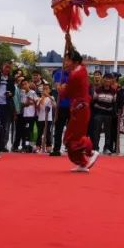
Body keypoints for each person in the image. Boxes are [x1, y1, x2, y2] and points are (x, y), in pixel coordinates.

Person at [61, 41, 97, 172]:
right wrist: (69, 42)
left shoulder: (75, 75)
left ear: (74, 62)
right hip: (79, 108)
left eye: (67, 60)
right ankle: (82, 163)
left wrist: (60, 89)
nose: (65, 63)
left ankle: (91, 152)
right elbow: (75, 53)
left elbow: (66, 93)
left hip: (80, 108)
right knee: (70, 138)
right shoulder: (82, 69)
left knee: (72, 138)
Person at [15, 78, 39, 153]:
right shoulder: (22, 93)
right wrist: (27, 103)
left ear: (29, 84)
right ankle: (25, 146)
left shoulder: (33, 92)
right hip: (25, 115)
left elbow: (37, 101)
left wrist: (32, 101)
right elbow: (22, 103)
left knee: (30, 131)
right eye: (23, 85)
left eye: (26, 84)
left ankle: (30, 147)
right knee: (25, 131)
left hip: (31, 115)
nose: (25, 86)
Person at [37, 85, 56, 152]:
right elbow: (39, 108)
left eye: (46, 89)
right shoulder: (40, 98)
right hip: (41, 118)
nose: (45, 90)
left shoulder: (51, 97)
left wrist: (48, 96)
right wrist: (42, 97)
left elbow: (54, 105)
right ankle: (38, 146)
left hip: (48, 118)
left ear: (49, 90)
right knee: (40, 133)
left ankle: (49, 146)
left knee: (48, 132)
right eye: (44, 89)